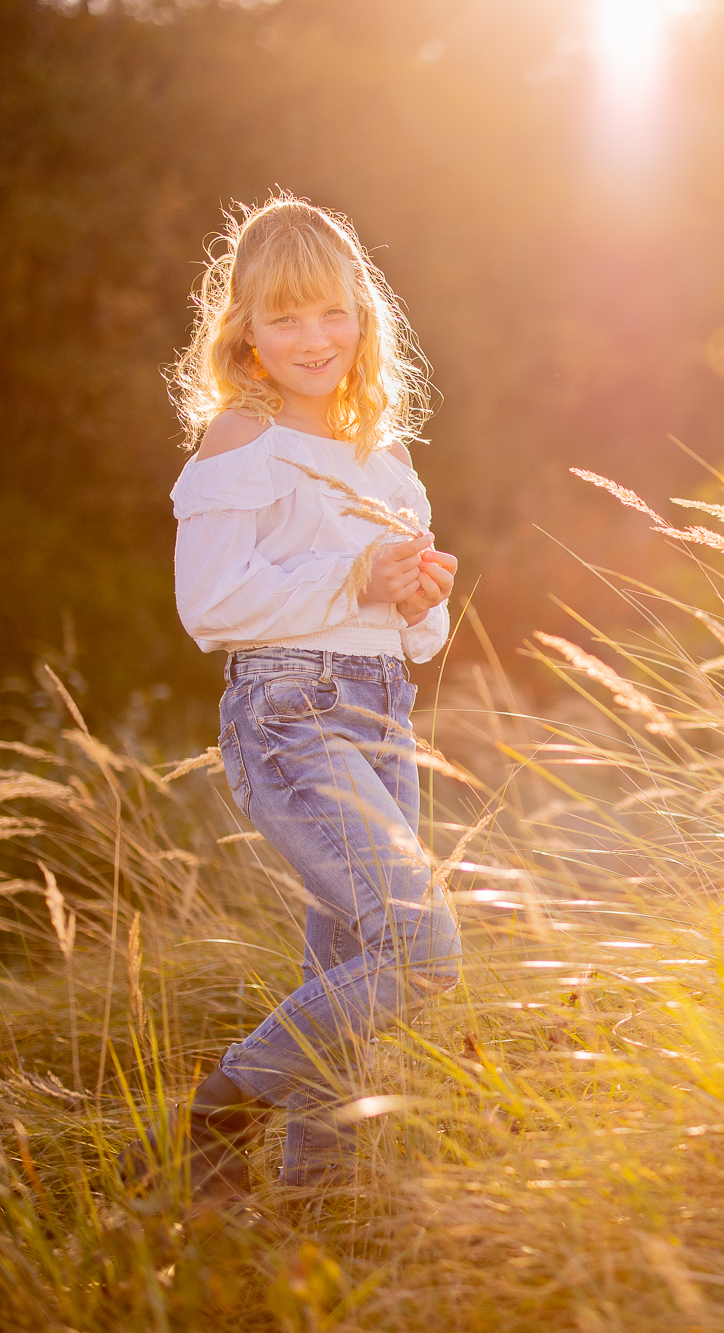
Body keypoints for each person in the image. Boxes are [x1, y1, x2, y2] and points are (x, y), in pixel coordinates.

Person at [159, 195, 460, 1199]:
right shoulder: (243, 443)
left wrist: (419, 599)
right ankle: (225, 1106)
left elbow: (412, 633)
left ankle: (317, 1208)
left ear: (362, 316)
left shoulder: (385, 454)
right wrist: (352, 581)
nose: (312, 338)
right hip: (290, 716)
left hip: (380, 714)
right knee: (420, 947)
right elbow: (209, 604)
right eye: (283, 318)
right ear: (242, 328)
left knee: (350, 967)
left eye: (330, 313)